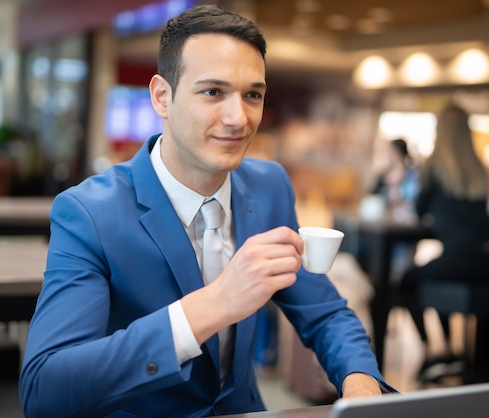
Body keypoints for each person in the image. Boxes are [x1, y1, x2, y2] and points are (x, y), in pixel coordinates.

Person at [19, 5, 393, 417]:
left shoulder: (269, 186)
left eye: (253, 95)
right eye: (213, 92)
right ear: (162, 96)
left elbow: (323, 313)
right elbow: (46, 390)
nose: (238, 118)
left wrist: (361, 387)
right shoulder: (89, 212)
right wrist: (215, 304)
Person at [398, 104, 489, 383]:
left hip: (461, 258)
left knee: (407, 280)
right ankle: (452, 353)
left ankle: (435, 350)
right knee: (436, 272)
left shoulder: (434, 166)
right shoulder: (479, 167)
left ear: (441, 130)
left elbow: (420, 211)